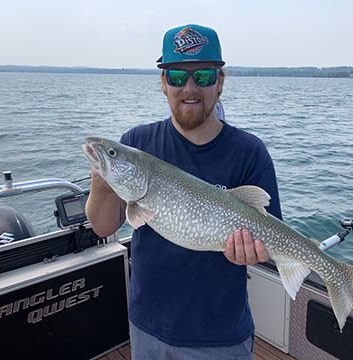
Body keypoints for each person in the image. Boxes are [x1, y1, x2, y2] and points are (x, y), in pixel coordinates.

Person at [86, 24, 282, 360]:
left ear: (220, 82)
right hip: (147, 326)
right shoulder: (136, 142)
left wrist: (257, 252)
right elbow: (104, 228)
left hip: (220, 337)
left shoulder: (249, 152)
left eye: (203, 77)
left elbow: (271, 237)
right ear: (163, 83)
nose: (189, 88)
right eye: (177, 76)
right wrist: (102, 181)